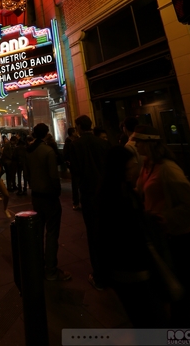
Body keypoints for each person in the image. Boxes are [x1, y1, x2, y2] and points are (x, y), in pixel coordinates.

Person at [134, 124, 190, 327]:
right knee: (182, 280)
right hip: (164, 235)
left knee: (184, 281)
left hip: (181, 236)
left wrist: (166, 218)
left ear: (148, 144)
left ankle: (182, 329)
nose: (135, 145)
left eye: (138, 141)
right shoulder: (147, 165)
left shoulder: (168, 168)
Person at [97, 146, 169, 327]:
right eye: (129, 167)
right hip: (132, 267)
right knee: (150, 318)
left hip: (134, 267)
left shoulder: (124, 190)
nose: (133, 170)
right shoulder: (114, 198)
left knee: (146, 318)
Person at [26, 123, 71, 282]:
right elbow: (54, 176)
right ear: (47, 133)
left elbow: (28, 173)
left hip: (36, 196)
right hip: (49, 197)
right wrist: (57, 191)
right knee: (52, 234)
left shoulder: (30, 151)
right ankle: (51, 269)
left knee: (38, 232)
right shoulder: (48, 151)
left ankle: (37, 264)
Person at [71, 114, 110, 290]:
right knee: (107, 231)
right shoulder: (103, 143)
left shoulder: (76, 145)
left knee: (93, 233)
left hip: (88, 193)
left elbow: (75, 170)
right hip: (106, 192)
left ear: (79, 126)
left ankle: (99, 275)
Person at [63, 127, 80, 210]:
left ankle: (77, 202)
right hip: (75, 165)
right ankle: (76, 202)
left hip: (74, 165)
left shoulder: (73, 141)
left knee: (76, 184)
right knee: (76, 184)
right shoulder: (70, 142)